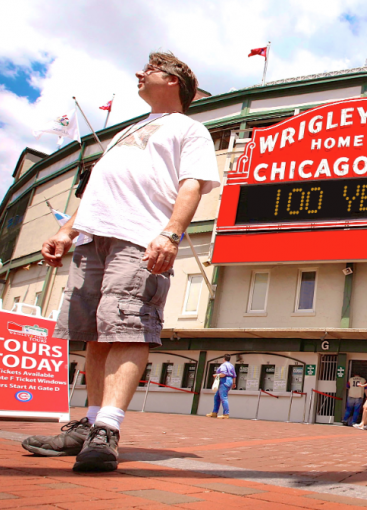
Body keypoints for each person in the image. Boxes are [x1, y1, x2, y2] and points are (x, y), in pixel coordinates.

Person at [22, 52, 220, 472]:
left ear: (174, 82)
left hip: (139, 236)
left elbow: (192, 185)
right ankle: (88, 425)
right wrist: (67, 231)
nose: (139, 74)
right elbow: (95, 191)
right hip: (94, 239)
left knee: (128, 327)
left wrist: (170, 232)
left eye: (150, 70)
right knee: (95, 333)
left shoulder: (190, 128)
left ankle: (108, 428)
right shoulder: (126, 132)